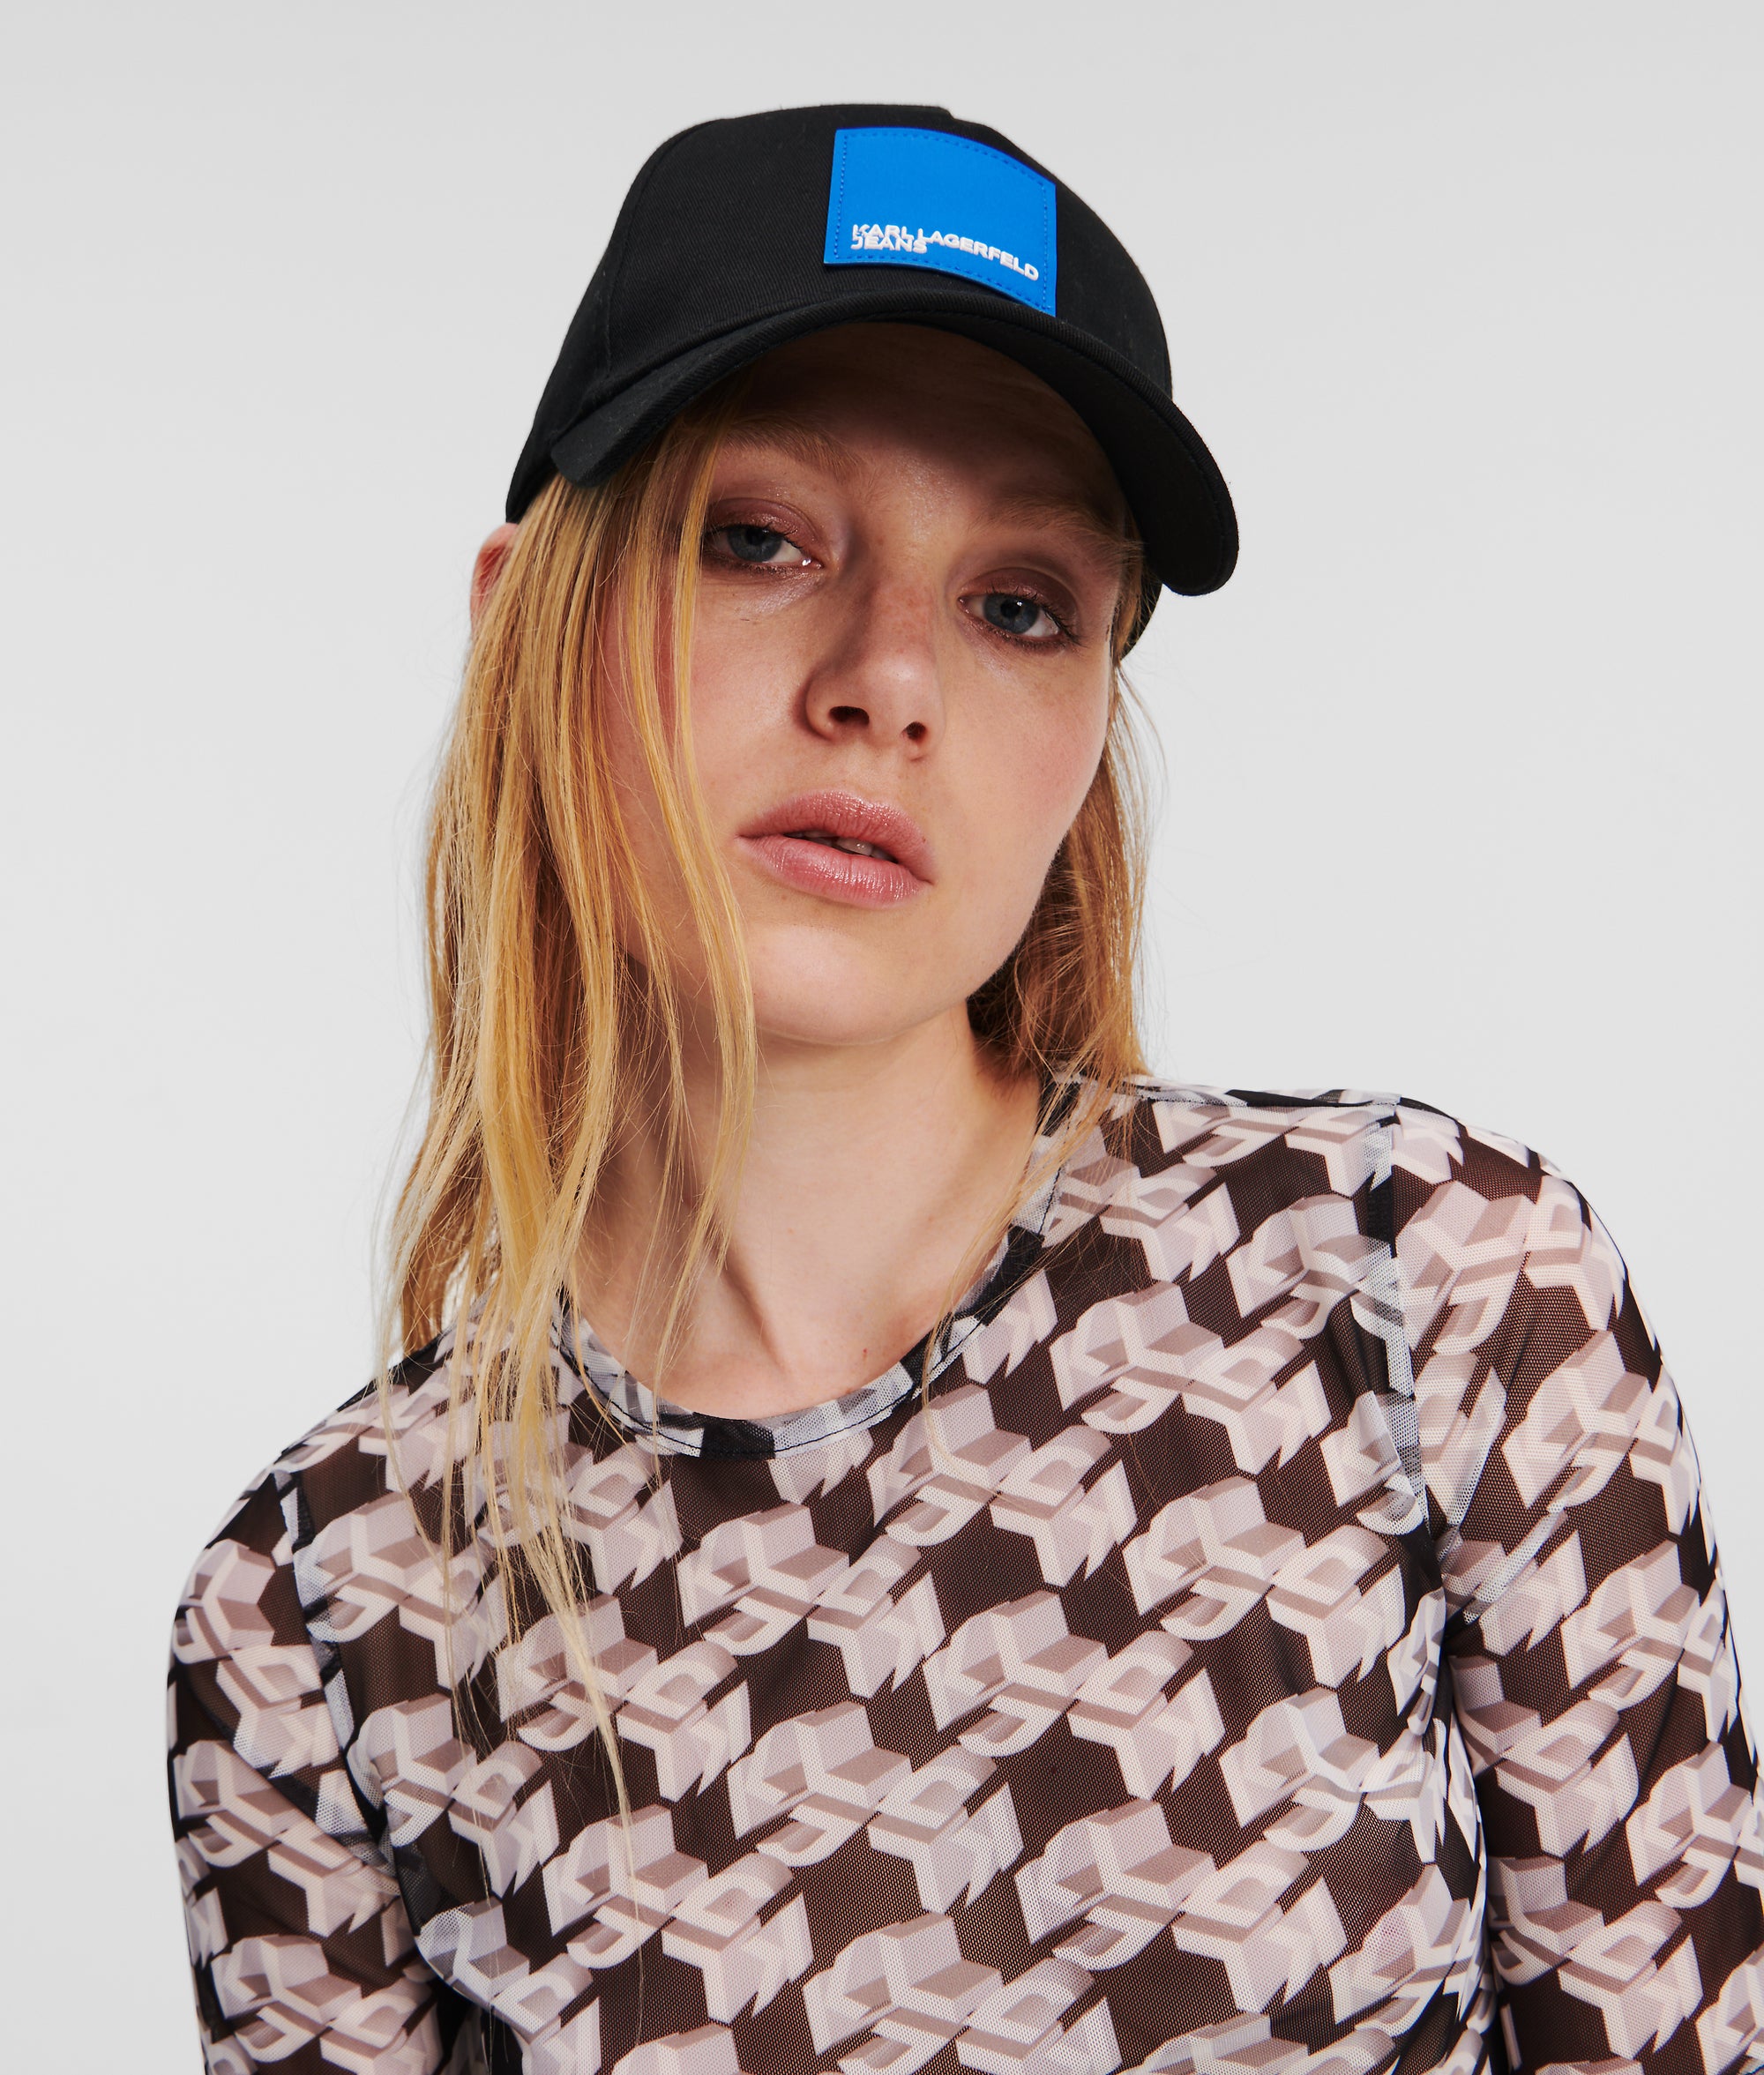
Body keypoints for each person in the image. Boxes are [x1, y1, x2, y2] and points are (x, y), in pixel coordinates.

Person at [166, 105, 1764, 2075]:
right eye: (759, 538)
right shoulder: (323, 1608)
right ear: (524, 623)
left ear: (1088, 730)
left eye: (1018, 603)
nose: (887, 678)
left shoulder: (1428, 1295)